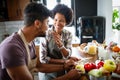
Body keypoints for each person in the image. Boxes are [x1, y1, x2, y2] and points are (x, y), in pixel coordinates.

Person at [0, 2, 82, 80]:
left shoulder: (29, 42)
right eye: (47, 22)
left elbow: (38, 66)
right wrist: (67, 77)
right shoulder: (12, 48)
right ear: (37, 24)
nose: (48, 27)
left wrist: (64, 66)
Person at [39, 4, 79, 80]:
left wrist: (61, 46)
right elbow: (43, 59)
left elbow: (68, 54)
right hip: (47, 72)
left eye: (61, 21)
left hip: (62, 71)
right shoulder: (46, 34)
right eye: (56, 19)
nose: (57, 23)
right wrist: (64, 62)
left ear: (66, 22)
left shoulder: (68, 34)